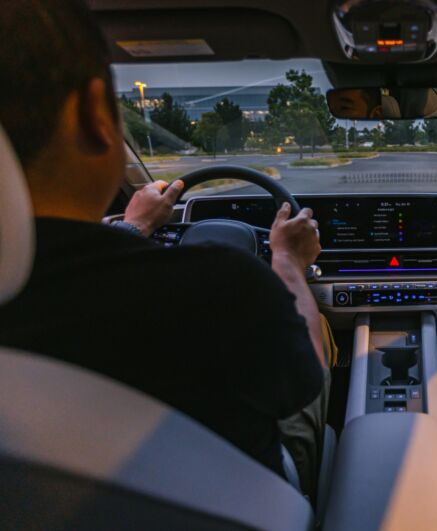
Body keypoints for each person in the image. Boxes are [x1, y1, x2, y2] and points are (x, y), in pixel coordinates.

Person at [0, 0, 333, 499]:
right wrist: (287, 264)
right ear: (95, 114)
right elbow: (304, 382)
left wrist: (131, 229)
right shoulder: (222, 285)